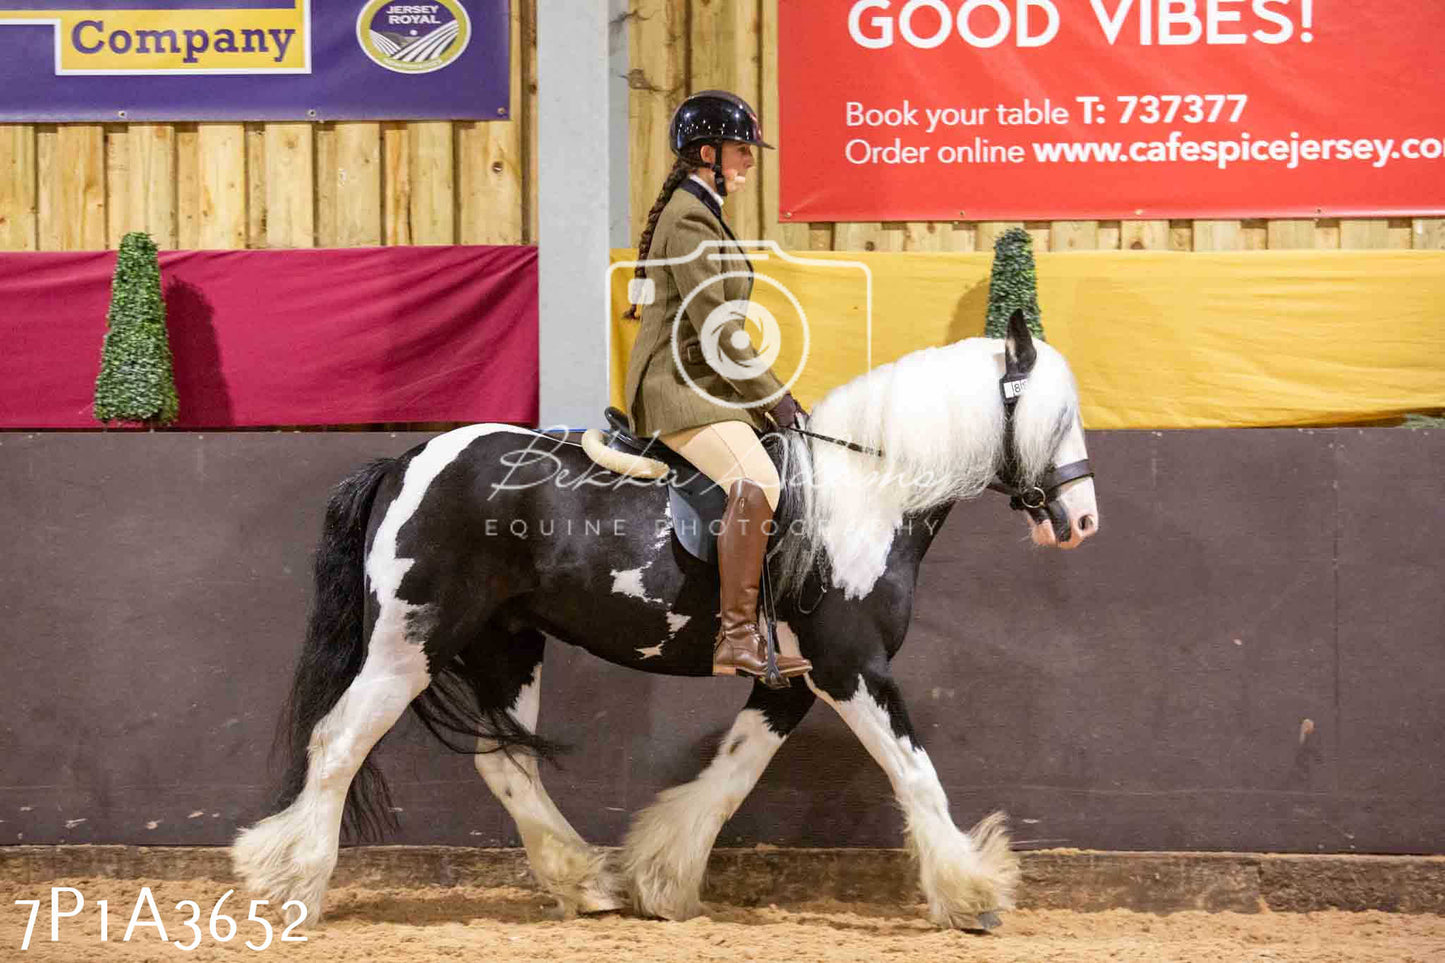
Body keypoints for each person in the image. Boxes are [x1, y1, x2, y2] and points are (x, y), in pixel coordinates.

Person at [621, 89, 812, 682]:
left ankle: (766, 625)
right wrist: (775, 397)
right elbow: (719, 331)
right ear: (708, 153)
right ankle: (733, 637)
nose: (751, 161)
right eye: (742, 150)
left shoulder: (700, 212)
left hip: (702, 384)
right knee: (757, 479)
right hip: (677, 387)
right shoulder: (688, 219)